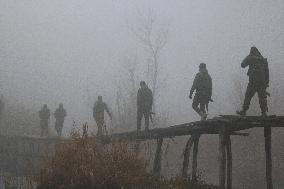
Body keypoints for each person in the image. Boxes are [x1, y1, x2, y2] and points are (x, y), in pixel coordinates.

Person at [237, 47, 269, 116]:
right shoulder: (263, 60)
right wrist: (266, 83)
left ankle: (244, 111)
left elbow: (242, 65)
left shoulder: (251, 57)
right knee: (262, 98)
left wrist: (249, 57)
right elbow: (267, 73)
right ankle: (264, 113)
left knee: (248, 96)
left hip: (253, 82)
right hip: (262, 82)